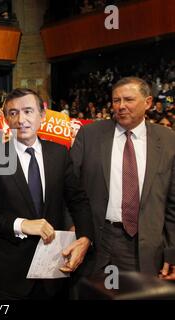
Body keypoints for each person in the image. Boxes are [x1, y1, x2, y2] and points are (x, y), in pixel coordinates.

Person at [0, 88, 94, 299]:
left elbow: (78, 200)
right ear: (6, 118)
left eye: (28, 111)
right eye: (13, 113)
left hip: (54, 268)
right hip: (9, 275)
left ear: (42, 115)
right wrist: (21, 224)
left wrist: (85, 237)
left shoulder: (59, 153)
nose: (21, 119)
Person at [70, 77, 175, 279]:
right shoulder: (90, 134)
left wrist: (172, 252)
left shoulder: (168, 140)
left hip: (146, 246)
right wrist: (73, 229)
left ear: (148, 102)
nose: (121, 106)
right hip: (95, 240)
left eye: (128, 99)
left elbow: (172, 204)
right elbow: (69, 186)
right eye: (116, 100)